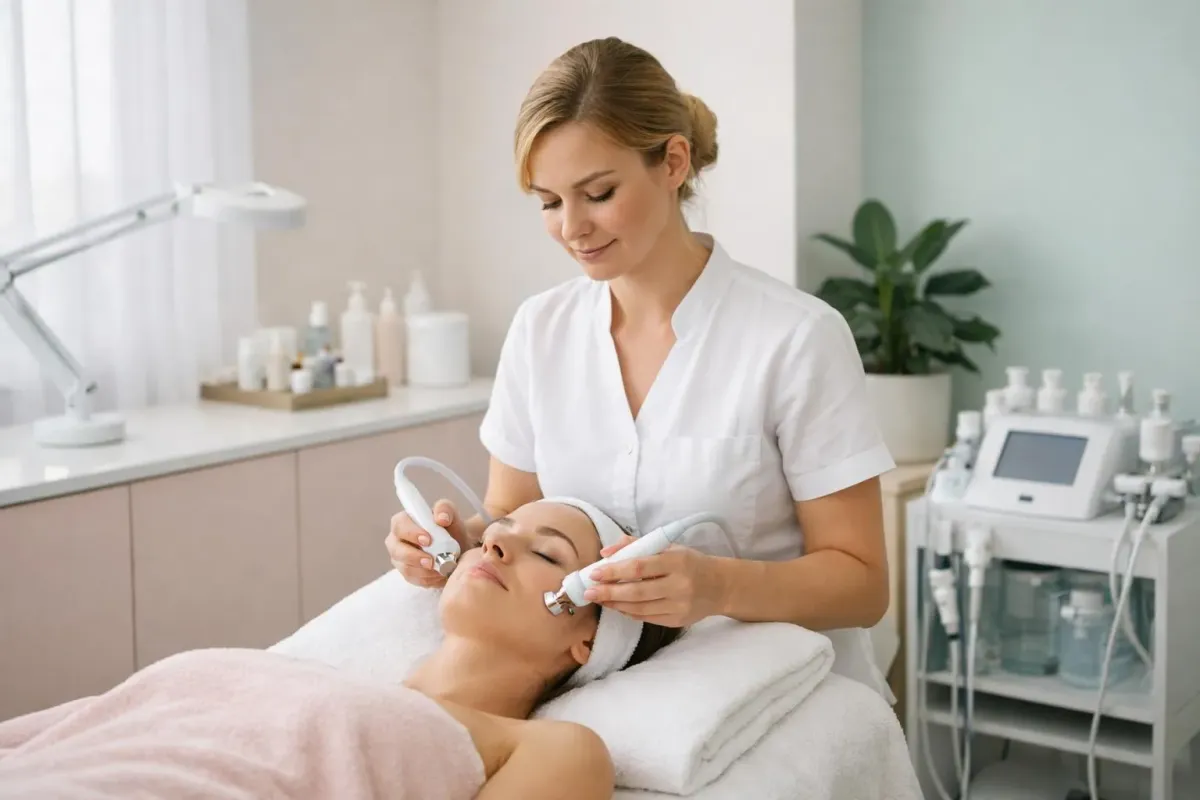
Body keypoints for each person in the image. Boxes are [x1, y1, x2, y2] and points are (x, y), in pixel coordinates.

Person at [386, 36, 896, 698]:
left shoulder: (796, 338)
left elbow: (863, 585)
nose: (572, 227)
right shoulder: (542, 330)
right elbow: (512, 513)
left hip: (775, 697)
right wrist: (453, 545)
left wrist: (718, 585)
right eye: (547, 202)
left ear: (673, 163)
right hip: (602, 692)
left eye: (597, 193)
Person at [0, 499, 679, 799]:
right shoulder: (298, 675)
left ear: (587, 637)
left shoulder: (552, 749)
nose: (494, 541)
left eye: (545, 552)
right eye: (498, 529)